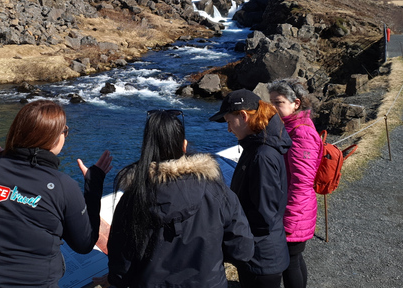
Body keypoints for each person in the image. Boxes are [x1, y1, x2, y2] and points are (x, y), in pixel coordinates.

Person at [0, 100, 113, 288]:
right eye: (65, 130)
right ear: (54, 138)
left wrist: (4, 160)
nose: (66, 135)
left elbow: (3, 205)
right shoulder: (63, 186)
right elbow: (84, 244)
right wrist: (94, 184)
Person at [105, 109, 254, 288]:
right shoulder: (216, 191)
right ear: (184, 145)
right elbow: (243, 250)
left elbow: (120, 266)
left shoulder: (133, 199)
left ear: (147, 149)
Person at [209, 89, 292, 288]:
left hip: (260, 256)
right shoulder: (260, 146)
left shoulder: (261, 155)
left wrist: (231, 225)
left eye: (229, 121)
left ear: (244, 116)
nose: (228, 129)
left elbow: (265, 216)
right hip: (264, 251)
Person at [267, 80, 321, 288]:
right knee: (293, 259)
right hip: (293, 205)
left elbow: (301, 182)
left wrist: (287, 214)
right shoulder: (291, 126)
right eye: (271, 102)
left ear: (296, 103)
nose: (273, 108)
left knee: (290, 261)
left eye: (278, 102)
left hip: (295, 208)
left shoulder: (301, 133)